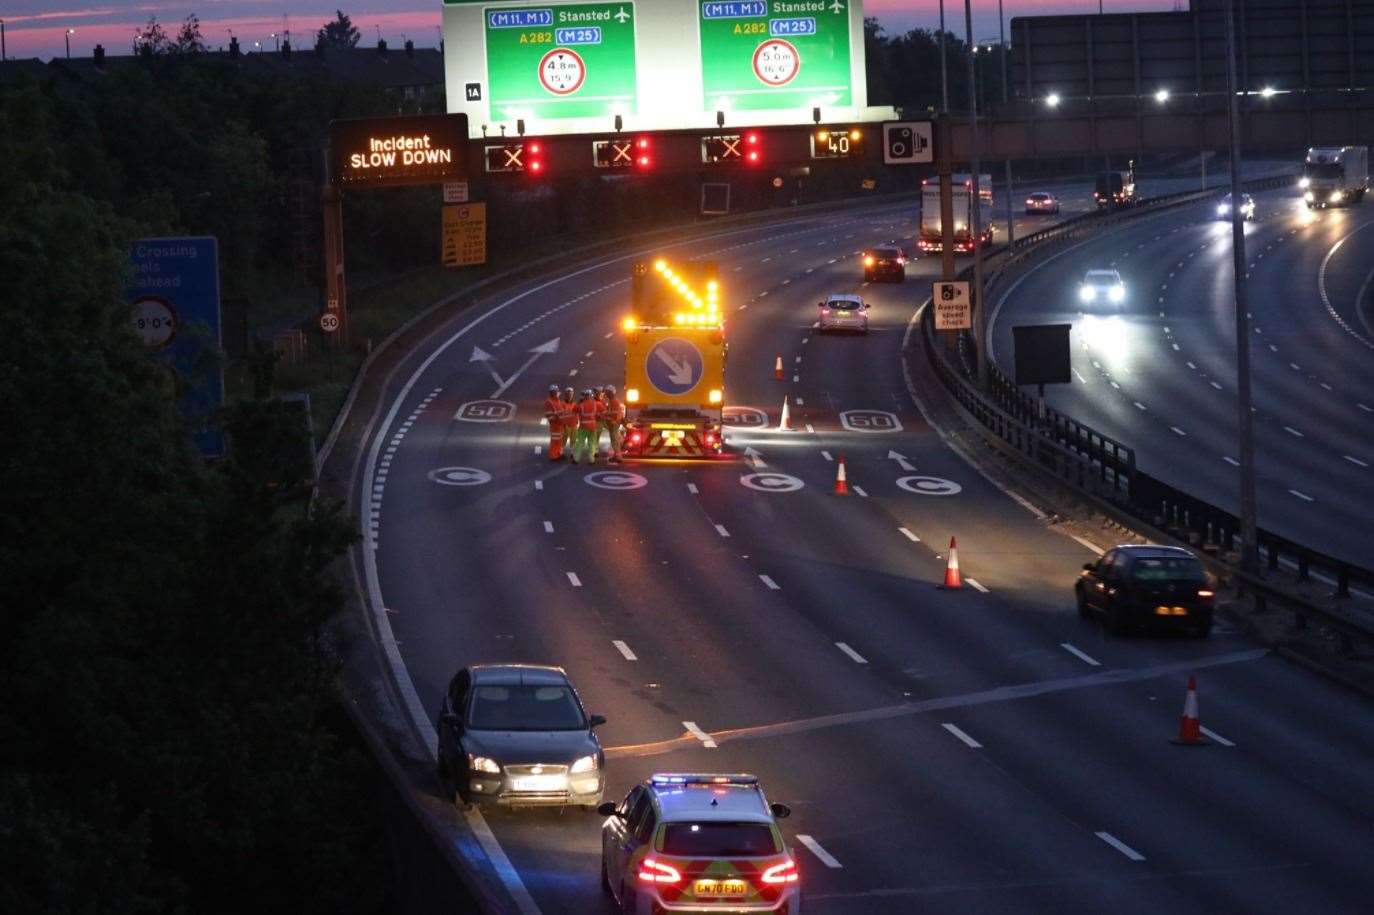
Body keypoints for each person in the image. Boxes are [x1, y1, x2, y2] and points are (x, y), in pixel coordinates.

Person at [572, 388, 600, 464]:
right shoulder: (595, 403)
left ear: (584, 396)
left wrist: (578, 402)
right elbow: (602, 411)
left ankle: (576, 459)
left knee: (580, 443)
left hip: (583, 427)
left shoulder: (581, 405)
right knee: (592, 443)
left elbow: (574, 410)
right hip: (593, 427)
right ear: (591, 396)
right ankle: (591, 460)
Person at [601, 384, 626, 463]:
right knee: (615, 440)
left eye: (607, 392)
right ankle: (617, 456)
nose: (606, 394)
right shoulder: (612, 401)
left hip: (613, 423)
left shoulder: (614, 402)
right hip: (613, 423)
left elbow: (614, 414)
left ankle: (618, 457)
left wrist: (605, 413)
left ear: (611, 392)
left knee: (614, 440)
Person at [543, 384, 565, 461]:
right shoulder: (549, 402)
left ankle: (559, 454)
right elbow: (549, 416)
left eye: (556, 391)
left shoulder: (557, 400)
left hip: (560, 424)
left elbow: (561, 411)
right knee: (555, 441)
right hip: (555, 425)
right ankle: (553, 456)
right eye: (553, 391)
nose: (555, 393)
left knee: (560, 441)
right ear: (550, 392)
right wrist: (557, 416)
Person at [559, 387, 577, 457]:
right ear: (565, 395)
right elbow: (561, 415)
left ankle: (572, 453)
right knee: (564, 439)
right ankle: (561, 452)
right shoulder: (562, 404)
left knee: (573, 439)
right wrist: (563, 423)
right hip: (565, 425)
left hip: (574, 424)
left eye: (571, 394)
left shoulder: (574, 404)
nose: (570, 395)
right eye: (568, 394)